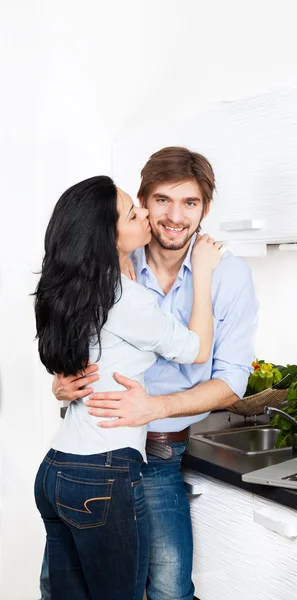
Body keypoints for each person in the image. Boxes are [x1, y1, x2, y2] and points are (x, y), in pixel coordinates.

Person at [44, 146, 258, 600]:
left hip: (156, 458)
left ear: (205, 208)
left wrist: (154, 408)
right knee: (66, 590)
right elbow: (76, 340)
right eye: (162, 200)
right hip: (94, 455)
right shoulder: (110, 262)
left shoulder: (228, 276)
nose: (175, 216)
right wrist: (64, 382)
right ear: (142, 204)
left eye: (190, 203)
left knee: (167, 591)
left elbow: (231, 380)